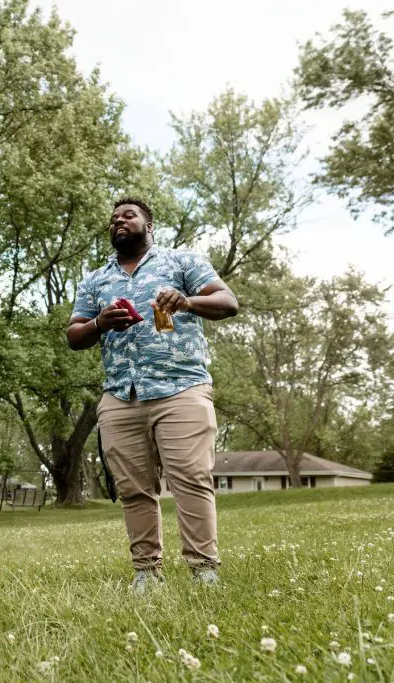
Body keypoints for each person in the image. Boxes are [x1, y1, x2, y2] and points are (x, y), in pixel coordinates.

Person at [66, 198, 239, 593]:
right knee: (133, 487)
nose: (119, 221)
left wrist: (187, 300)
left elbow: (228, 302)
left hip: (181, 388)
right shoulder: (95, 280)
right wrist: (100, 322)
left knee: (191, 479)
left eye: (128, 215)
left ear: (149, 224)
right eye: (114, 219)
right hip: (120, 396)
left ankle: (203, 569)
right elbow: (74, 335)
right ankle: (146, 572)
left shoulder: (182, 262)